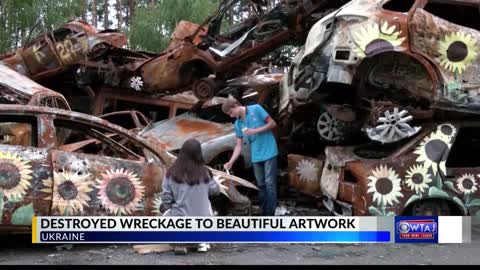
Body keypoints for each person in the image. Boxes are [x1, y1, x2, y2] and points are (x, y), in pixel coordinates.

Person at [160, 138, 224, 255]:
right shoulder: (206, 172)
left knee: (164, 209)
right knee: (209, 208)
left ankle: (180, 242)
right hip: (203, 221)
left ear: (182, 153)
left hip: (180, 220)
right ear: (199, 154)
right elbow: (215, 191)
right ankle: (202, 242)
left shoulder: (171, 173)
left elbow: (166, 198)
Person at [222, 95, 278, 216]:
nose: (231, 115)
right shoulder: (238, 124)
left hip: (269, 150)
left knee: (270, 184)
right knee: (261, 185)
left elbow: (272, 123)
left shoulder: (256, 109)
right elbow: (238, 145)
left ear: (236, 105)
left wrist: (255, 131)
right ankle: (264, 213)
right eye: (229, 114)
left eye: (231, 112)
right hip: (256, 156)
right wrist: (231, 161)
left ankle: (270, 215)